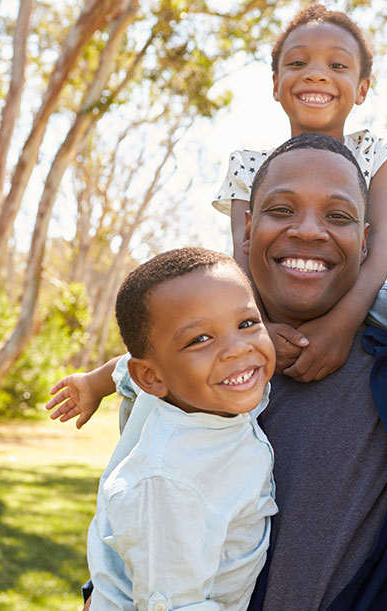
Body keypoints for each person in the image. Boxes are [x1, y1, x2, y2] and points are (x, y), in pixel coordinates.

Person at [52, 134, 387, 610]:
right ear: (245, 230)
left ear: (366, 242)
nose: (307, 230)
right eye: (281, 210)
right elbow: (140, 553)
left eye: (338, 215)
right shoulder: (185, 379)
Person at [213, 3, 387, 384]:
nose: (316, 75)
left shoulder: (380, 154)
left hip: (373, 300)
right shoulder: (249, 165)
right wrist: (260, 327)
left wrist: (341, 325)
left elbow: (382, 245)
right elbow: (243, 252)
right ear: (274, 83)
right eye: (298, 64)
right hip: (276, 306)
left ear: (362, 88)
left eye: (337, 66)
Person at [86, 247, 277, 610]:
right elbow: (172, 603)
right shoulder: (172, 483)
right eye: (200, 339)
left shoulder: (211, 400)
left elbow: (130, 370)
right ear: (153, 377)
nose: (237, 350)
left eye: (247, 323)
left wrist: (92, 384)